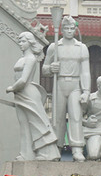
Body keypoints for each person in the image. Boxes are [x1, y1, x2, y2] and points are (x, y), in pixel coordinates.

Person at [7, 29, 61, 160]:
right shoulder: (23, 58)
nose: (20, 43)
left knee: (37, 123)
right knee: (24, 124)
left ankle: (48, 153)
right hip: (20, 94)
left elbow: (24, 80)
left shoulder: (31, 59)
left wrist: (11, 88)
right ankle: (26, 154)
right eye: (19, 41)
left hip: (28, 93)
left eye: (23, 41)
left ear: (30, 43)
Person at [42, 15, 91, 155]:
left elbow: (85, 72)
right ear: (62, 29)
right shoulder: (54, 47)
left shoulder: (82, 48)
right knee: (58, 118)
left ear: (75, 29)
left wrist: (86, 91)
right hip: (59, 84)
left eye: (72, 28)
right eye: (66, 28)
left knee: (76, 117)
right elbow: (44, 69)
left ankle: (77, 149)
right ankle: (56, 148)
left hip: (75, 85)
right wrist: (51, 68)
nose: (69, 31)